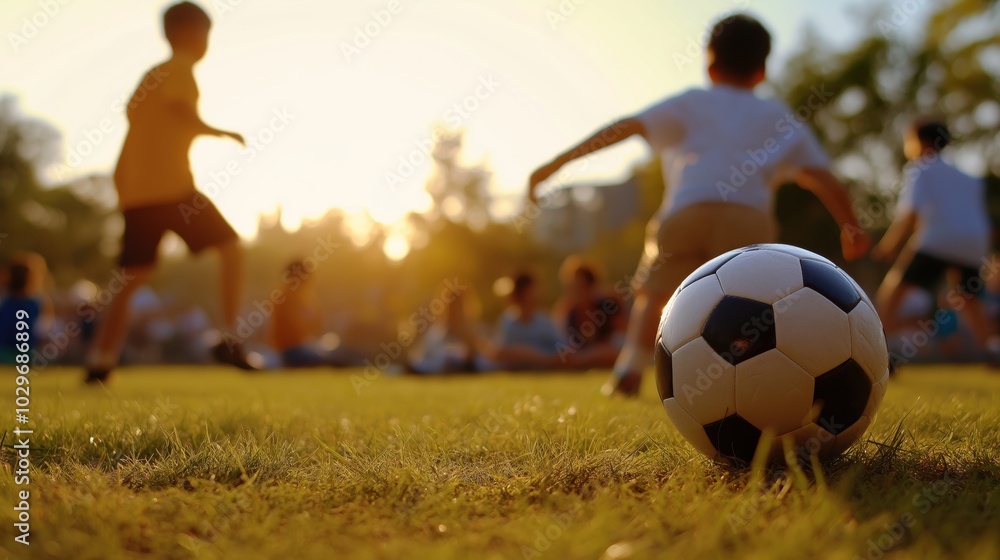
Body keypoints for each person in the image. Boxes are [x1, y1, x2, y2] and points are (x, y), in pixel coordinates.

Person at [527, 14, 869, 396]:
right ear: (761, 71)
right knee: (753, 303)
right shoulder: (777, 116)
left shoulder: (692, 102)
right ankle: (753, 378)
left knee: (652, 294)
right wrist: (850, 226)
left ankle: (629, 370)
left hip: (687, 211)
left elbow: (625, 127)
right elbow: (820, 177)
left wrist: (557, 163)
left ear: (709, 63)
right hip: (748, 217)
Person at [85, 2, 254, 384]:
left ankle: (99, 362)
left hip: (134, 191)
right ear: (195, 35)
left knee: (132, 276)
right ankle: (230, 338)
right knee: (231, 248)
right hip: (172, 190)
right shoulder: (180, 70)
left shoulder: (152, 75)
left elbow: (142, 119)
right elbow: (179, 112)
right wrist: (220, 132)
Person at [871, 118, 1000, 362]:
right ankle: (992, 350)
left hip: (938, 239)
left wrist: (889, 245)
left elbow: (911, 214)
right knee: (970, 299)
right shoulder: (969, 178)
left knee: (894, 290)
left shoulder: (921, 168)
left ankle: (878, 349)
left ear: (920, 142)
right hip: (974, 243)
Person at [270, 259, 360, 368]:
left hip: (308, 348)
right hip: (291, 352)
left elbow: (318, 326)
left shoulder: (308, 300)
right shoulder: (283, 298)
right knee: (340, 359)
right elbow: (293, 331)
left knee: (348, 352)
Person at [553, 255, 626, 369]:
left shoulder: (608, 305)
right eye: (572, 287)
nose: (575, 292)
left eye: (580, 287)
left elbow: (623, 346)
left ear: (592, 286)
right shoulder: (568, 312)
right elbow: (563, 351)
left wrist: (584, 358)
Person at [489, 272, 564, 371]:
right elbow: (499, 353)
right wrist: (540, 357)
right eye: (533, 290)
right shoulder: (507, 321)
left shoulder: (544, 321)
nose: (538, 294)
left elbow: (563, 350)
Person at [407, 289, 489, 374]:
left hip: (463, 363)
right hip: (434, 362)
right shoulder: (439, 331)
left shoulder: (474, 328)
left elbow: (479, 351)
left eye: (458, 305)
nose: (455, 309)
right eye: (452, 305)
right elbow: (430, 353)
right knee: (444, 355)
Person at [0, 253, 53, 364]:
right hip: (21, 353)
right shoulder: (40, 301)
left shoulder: (38, 301)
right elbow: (43, 333)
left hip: (17, 353)